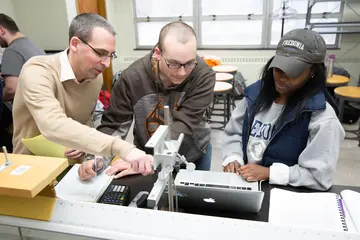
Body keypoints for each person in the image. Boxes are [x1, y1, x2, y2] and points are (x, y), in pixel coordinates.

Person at [12, 13, 153, 178]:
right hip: (32, 169)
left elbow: (85, 121)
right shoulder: (37, 71)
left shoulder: (95, 78)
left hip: (71, 169)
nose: (107, 64)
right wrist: (122, 147)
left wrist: (87, 152)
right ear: (75, 44)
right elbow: (52, 124)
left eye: (110, 55)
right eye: (100, 53)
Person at [81, 21, 215, 178]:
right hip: (146, 157)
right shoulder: (131, 78)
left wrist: (152, 160)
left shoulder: (203, 75)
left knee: (194, 202)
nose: (182, 72)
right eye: (174, 64)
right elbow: (114, 125)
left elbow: (185, 124)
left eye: (190, 63)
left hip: (193, 154)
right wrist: (96, 158)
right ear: (158, 53)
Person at [222, 28, 345, 191]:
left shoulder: (322, 118)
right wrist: (233, 157)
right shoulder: (254, 96)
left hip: (288, 194)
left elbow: (319, 176)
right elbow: (233, 132)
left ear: (313, 72)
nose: (281, 76)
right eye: (278, 68)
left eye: (292, 71)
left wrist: (269, 173)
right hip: (248, 186)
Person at [0, 13, 45, 102]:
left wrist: (1, 97)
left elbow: (12, 89)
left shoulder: (11, 51)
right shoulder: (31, 44)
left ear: (1, 30)